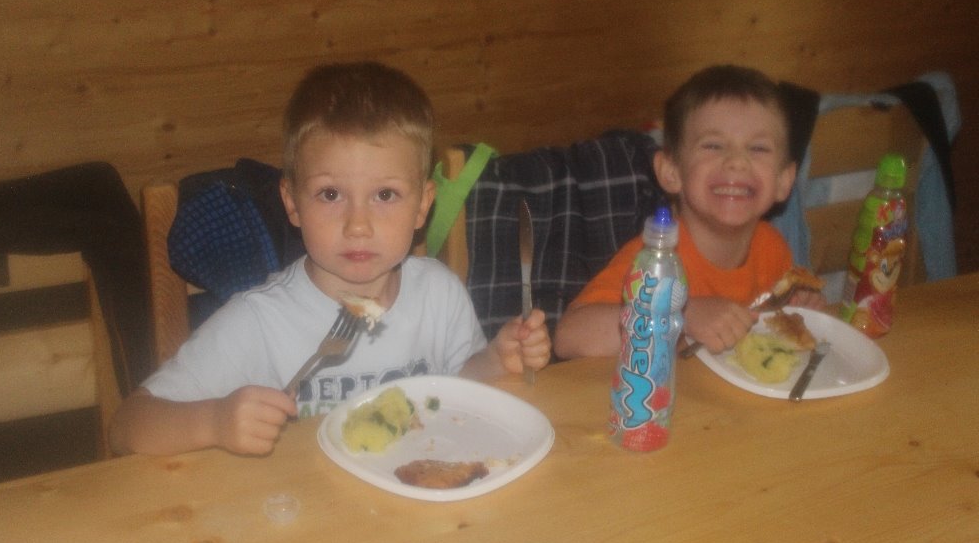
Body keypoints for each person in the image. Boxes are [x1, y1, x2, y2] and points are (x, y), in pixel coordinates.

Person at [110, 62, 551, 457]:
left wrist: (497, 360)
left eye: (385, 195)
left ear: (422, 206)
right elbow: (127, 427)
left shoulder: (439, 293)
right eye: (330, 194)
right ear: (292, 202)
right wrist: (214, 422)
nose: (357, 224)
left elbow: (458, 394)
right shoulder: (260, 319)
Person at [554, 65, 824, 360]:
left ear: (784, 181)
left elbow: (768, 324)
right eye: (713, 145)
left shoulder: (773, 248)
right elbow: (569, 337)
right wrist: (680, 316)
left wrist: (799, 306)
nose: (737, 161)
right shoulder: (654, 259)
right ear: (671, 172)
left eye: (758, 148)